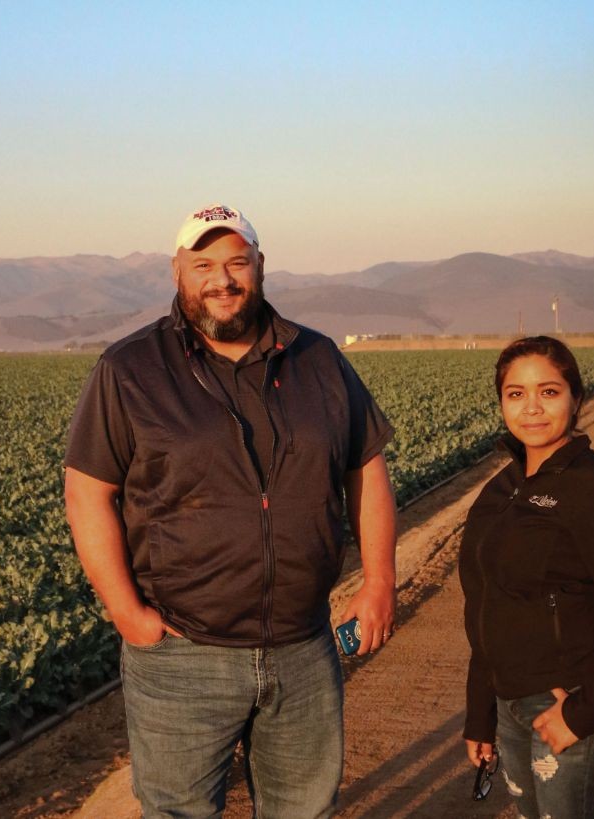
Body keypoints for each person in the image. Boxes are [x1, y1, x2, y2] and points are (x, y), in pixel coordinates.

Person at [64, 203, 398, 818]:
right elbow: (88, 491)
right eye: (204, 265)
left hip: (303, 647)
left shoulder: (318, 359)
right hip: (183, 652)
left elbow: (366, 467)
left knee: (304, 810)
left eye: (236, 262)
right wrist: (125, 611)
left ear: (260, 267)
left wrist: (379, 580)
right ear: (177, 274)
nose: (222, 279)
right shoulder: (131, 369)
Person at [458, 336, 594, 818]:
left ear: (577, 398)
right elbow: (487, 604)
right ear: (501, 402)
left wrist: (583, 712)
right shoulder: (501, 490)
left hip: (570, 703)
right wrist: (480, 713)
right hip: (509, 704)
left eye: (549, 392)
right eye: (516, 394)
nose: (531, 407)